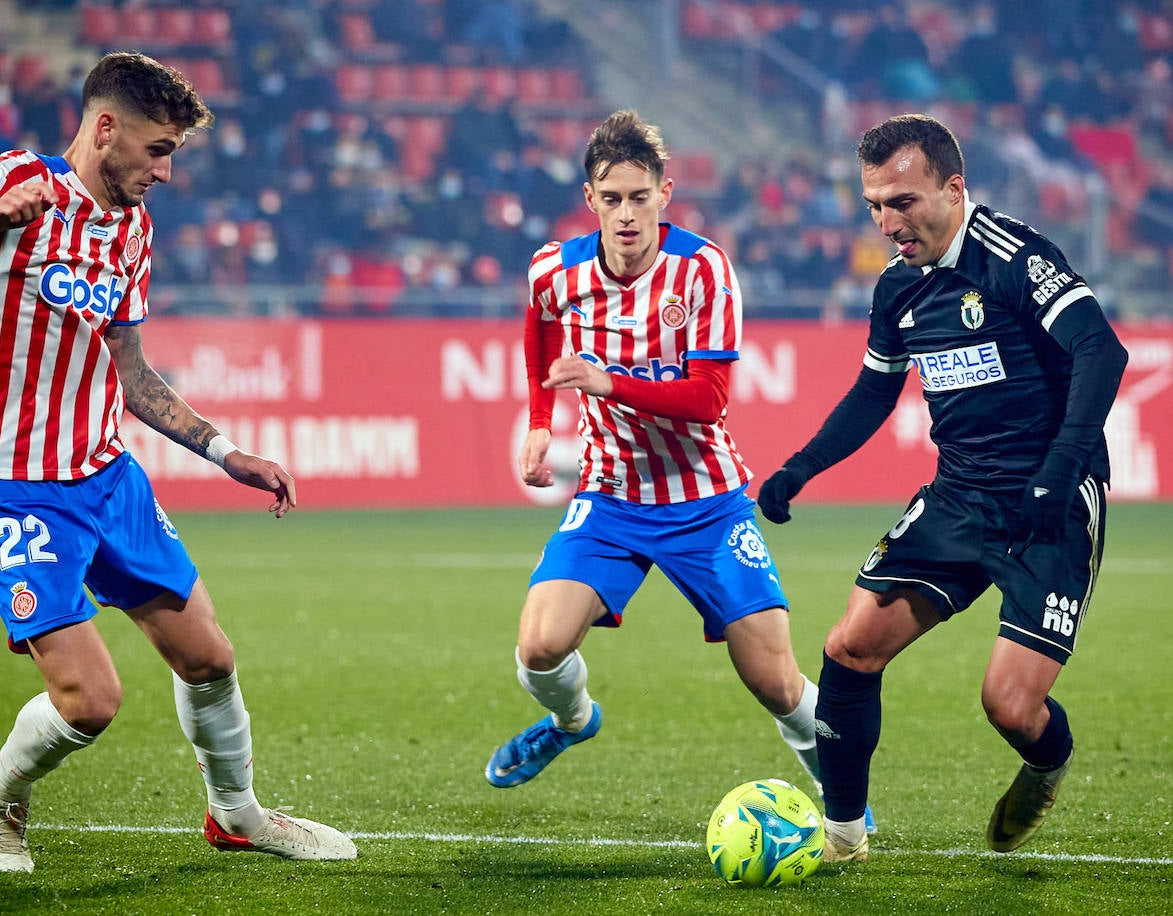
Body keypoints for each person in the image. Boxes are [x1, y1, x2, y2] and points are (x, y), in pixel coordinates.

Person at [0, 52, 356, 873]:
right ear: (104, 129)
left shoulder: (130, 229)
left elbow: (130, 371)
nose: (165, 170)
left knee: (210, 657)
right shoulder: (19, 178)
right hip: (4, 480)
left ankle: (236, 814)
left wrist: (226, 451)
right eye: (157, 149)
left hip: (104, 474)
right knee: (90, 701)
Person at [757, 114, 1128, 863]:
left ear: (953, 188)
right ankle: (843, 835)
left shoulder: (1014, 257)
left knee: (1010, 706)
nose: (888, 222)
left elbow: (1101, 350)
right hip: (959, 496)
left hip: (1047, 501)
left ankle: (1046, 764)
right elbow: (871, 395)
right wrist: (800, 466)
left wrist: (1059, 472)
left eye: (903, 202)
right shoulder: (899, 288)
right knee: (850, 648)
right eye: (873, 205)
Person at [483, 110, 846, 812]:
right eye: (611, 198)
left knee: (775, 681)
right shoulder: (555, 270)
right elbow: (539, 328)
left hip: (706, 500)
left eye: (639, 198)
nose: (625, 214)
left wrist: (605, 381)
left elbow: (708, 400)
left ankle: (846, 801)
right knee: (539, 647)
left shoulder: (702, 270)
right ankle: (572, 720)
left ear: (665, 193)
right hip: (611, 497)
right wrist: (538, 421)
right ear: (589, 199)